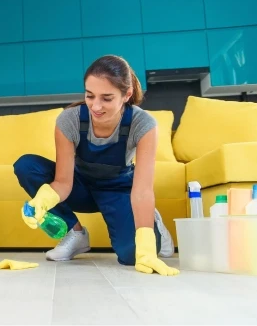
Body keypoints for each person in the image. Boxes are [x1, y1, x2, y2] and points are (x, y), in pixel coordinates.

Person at [13, 55, 179, 276]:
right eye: (90, 96)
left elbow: (142, 190)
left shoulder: (143, 124)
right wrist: (42, 202)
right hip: (79, 186)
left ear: (126, 95)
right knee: (27, 166)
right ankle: (76, 234)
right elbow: (63, 182)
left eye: (107, 98)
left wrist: (146, 246)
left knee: (132, 256)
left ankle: (152, 222)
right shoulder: (69, 120)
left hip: (118, 190)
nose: (96, 106)